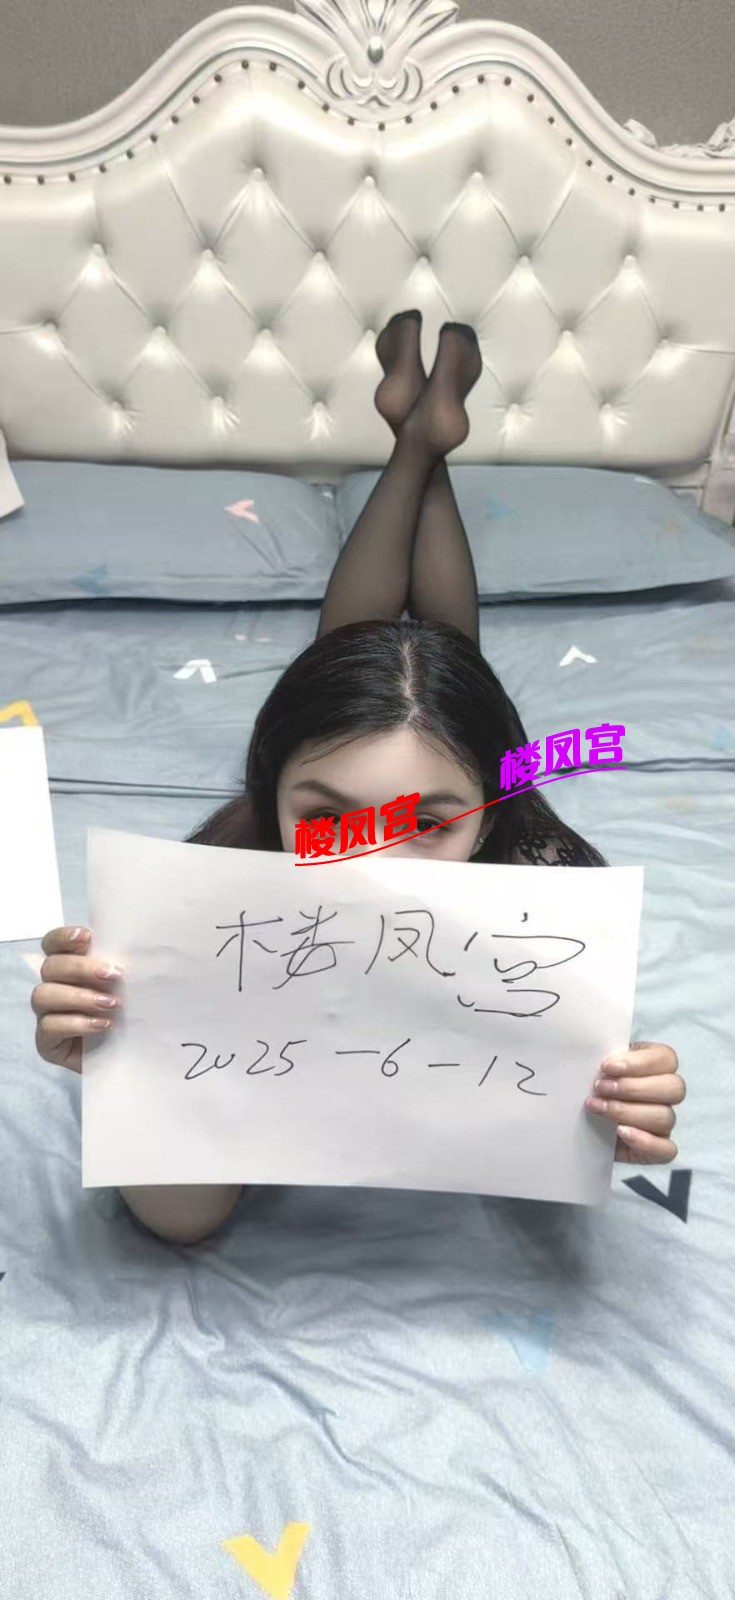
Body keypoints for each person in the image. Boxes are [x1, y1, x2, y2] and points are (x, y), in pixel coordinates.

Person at [31, 314, 685, 1245]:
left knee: (424, 684)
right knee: (392, 683)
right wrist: (119, 1067)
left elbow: (552, 1138)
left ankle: (418, 440)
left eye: (428, 823)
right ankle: (423, 440)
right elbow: (183, 1220)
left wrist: (612, 1110)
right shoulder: (214, 893)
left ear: (491, 815)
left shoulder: (539, 889)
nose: (368, 859)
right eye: (326, 816)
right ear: (269, 796)